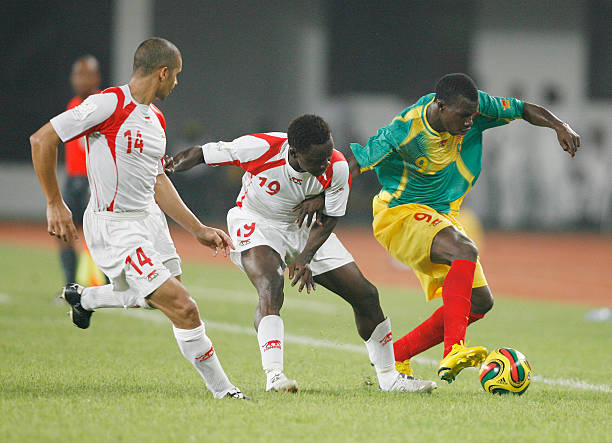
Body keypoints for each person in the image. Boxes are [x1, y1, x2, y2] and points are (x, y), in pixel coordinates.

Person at [30, 37, 248, 400]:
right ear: (163, 72)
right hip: (116, 226)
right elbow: (42, 140)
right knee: (183, 306)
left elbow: (157, 180)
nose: (177, 83)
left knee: (154, 299)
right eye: (176, 75)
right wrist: (55, 202)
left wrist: (197, 230)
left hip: (149, 220)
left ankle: (86, 299)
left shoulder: (156, 118)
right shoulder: (108, 104)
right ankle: (224, 392)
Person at [164, 114, 437, 393]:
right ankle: (275, 376)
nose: (325, 165)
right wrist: (166, 167)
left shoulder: (337, 165)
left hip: (305, 229)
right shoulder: (261, 148)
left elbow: (330, 216)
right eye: (317, 161)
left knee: (366, 294)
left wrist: (305, 256)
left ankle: (389, 378)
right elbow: (200, 154)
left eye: (328, 156)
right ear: (293, 152)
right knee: (270, 284)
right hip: (256, 220)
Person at [347, 73, 580, 383]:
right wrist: (317, 200)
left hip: (441, 215)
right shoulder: (403, 130)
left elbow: (522, 108)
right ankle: (453, 350)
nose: (471, 122)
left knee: (481, 301)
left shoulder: (476, 107)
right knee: (464, 249)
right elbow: (353, 164)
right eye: (463, 116)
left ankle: (397, 354)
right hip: (399, 214)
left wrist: (559, 125)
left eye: (473, 115)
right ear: (440, 107)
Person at [58, 55, 101, 286]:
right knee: (62, 231)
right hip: (73, 178)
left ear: (96, 77)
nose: (79, 79)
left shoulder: (103, 104)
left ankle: (108, 286)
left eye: (84, 74)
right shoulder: (73, 104)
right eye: (76, 74)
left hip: (95, 181)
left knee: (99, 236)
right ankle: (69, 285)